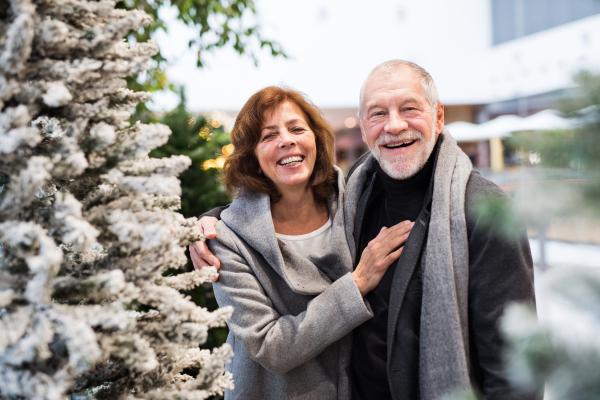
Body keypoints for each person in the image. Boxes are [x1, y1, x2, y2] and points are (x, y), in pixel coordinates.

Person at [193, 60, 537, 400]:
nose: (395, 125)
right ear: (363, 128)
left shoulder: (479, 208)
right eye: (378, 113)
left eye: (409, 108)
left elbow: (516, 362)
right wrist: (213, 220)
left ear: (439, 117)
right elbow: (261, 215)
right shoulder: (360, 190)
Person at [202, 86, 413, 400]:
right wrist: (358, 282)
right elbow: (270, 346)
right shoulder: (228, 240)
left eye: (297, 129)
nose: (287, 140)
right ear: (253, 158)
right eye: (268, 136)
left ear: (315, 139)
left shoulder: (352, 198)